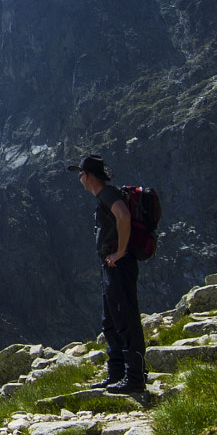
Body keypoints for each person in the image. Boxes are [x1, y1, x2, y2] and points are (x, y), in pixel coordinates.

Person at [67, 154, 146, 396]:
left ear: (87, 176)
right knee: (111, 320)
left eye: (80, 174)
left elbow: (123, 216)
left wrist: (121, 251)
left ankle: (135, 377)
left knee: (125, 318)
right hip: (111, 264)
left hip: (118, 264)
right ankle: (116, 373)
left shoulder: (109, 194)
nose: (79, 178)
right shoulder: (105, 196)